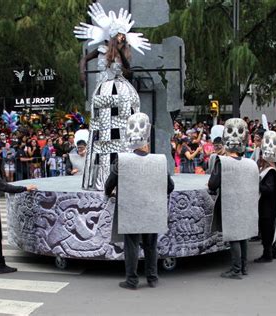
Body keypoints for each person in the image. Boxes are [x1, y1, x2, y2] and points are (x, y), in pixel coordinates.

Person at [75, 3, 151, 190]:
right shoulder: (101, 49)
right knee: (101, 127)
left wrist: (121, 51)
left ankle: (126, 172)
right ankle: (99, 176)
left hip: (122, 91)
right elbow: (84, 59)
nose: (121, 39)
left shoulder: (124, 53)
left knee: (123, 123)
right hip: (103, 91)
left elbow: (129, 72)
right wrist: (82, 72)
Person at [105, 113, 174, 290]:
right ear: (147, 142)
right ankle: (152, 278)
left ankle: (132, 280)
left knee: (132, 246)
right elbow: (170, 186)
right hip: (152, 209)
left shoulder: (122, 160)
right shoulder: (159, 160)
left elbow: (109, 184)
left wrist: (109, 193)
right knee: (151, 245)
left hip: (130, 209)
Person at [208, 118, 259, 279]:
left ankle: (236, 269)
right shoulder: (250, 163)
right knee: (242, 235)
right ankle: (243, 267)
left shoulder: (222, 162)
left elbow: (212, 184)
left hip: (229, 204)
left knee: (234, 237)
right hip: (245, 204)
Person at [255, 131, 276, 262]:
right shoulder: (271, 169)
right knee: (269, 229)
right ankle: (272, 251)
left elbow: (269, 189)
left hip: (268, 207)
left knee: (267, 230)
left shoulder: (270, 171)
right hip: (269, 206)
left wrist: (256, 185)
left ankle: (268, 254)